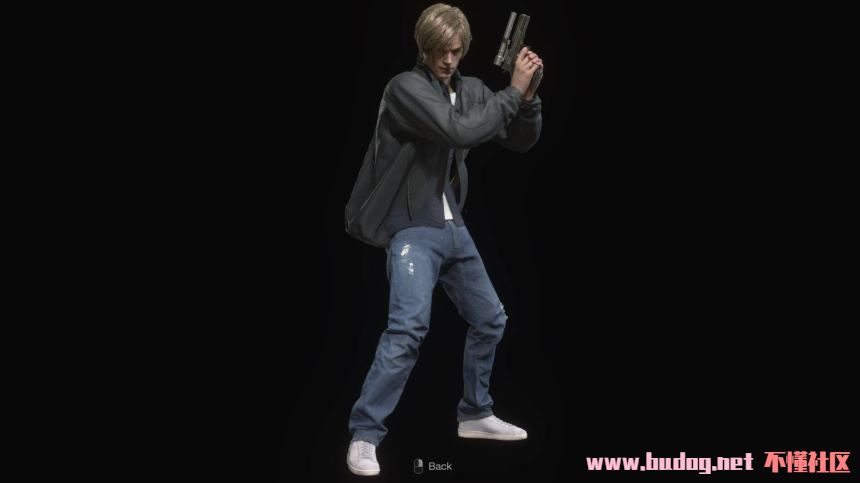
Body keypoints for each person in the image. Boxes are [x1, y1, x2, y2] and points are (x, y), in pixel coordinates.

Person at [343, 3, 543, 476]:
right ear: (423, 47)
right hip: (413, 226)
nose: (447, 60)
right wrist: (511, 92)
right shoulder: (405, 88)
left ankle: (475, 413)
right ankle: (365, 434)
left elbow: (519, 139)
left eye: (455, 51)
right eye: (439, 51)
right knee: (408, 329)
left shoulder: (469, 90)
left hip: (453, 228)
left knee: (490, 319)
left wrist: (528, 97)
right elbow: (459, 131)